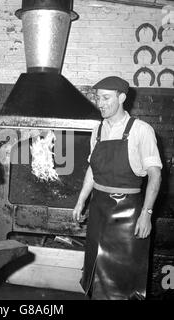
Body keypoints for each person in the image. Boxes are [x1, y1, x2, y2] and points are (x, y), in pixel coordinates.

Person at [72, 76, 162, 300]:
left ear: (122, 98)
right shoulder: (98, 130)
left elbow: (155, 174)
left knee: (122, 283)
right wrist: (81, 200)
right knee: (94, 274)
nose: (100, 103)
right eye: (97, 98)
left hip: (128, 214)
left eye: (105, 98)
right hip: (99, 209)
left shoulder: (141, 130)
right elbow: (93, 169)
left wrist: (146, 214)